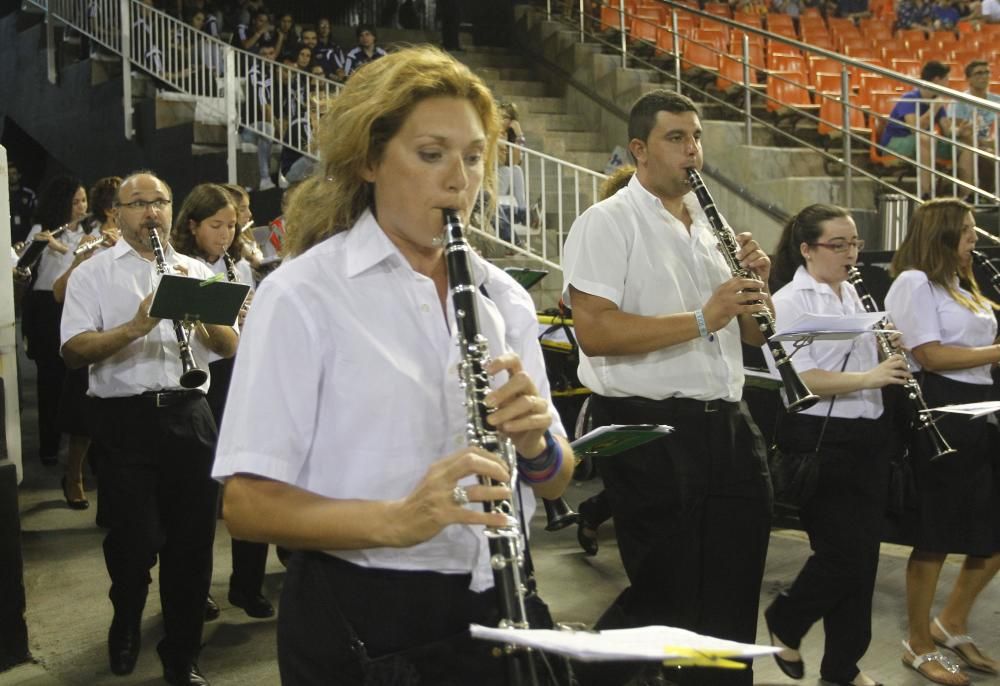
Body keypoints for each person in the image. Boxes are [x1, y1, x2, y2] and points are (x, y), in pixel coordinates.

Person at [212, 45, 574, 685]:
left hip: (500, 596)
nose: (459, 180)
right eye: (431, 154)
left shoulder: (503, 298)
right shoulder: (303, 295)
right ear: (371, 161)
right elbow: (247, 506)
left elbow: (553, 479)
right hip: (362, 613)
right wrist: (397, 521)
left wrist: (536, 441)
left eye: (472, 155)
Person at [560, 88, 772, 686]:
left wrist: (758, 283)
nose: (693, 151)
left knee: (732, 593)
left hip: (728, 422)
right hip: (648, 425)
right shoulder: (606, 222)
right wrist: (706, 315)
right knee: (667, 593)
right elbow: (596, 332)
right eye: (676, 139)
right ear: (639, 150)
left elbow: (754, 334)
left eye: (697, 137)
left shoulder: (712, 223)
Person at [60, 171, 238, 686]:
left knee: (192, 544)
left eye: (158, 202)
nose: (150, 212)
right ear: (118, 213)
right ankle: (126, 619)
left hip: (190, 416)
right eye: (137, 204)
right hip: (124, 421)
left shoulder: (192, 269)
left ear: (170, 208)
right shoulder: (94, 274)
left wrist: (203, 320)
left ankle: (181, 655)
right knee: (134, 541)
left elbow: (228, 348)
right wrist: (137, 326)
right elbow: (73, 352)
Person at [761, 204, 910, 686]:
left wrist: (891, 352)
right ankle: (786, 618)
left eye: (855, 245)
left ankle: (843, 666)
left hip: (868, 437)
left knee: (863, 560)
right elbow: (799, 380)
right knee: (842, 554)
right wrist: (871, 374)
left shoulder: (856, 296)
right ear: (807, 249)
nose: (851, 255)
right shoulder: (790, 300)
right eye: (838, 245)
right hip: (823, 441)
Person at [884, 198, 1000, 686]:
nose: (976, 239)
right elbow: (928, 355)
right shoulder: (914, 282)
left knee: (992, 527)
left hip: (983, 409)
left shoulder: (963, 283)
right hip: (941, 410)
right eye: (968, 231)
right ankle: (918, 641)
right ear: (944, 235)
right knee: (936, 532)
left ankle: (951, 621)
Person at [168, 183, 271, 619]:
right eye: (216, 225)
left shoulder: (236, 265)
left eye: (231, 225)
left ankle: (247, 585)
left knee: (252, 481)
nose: (227, 234)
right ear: (192, 225)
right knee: (201, 498)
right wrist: (222, 313)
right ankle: (198, 589)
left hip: (240, 377)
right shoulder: (175, 267)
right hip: (198, 383)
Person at [51, 175, 123, 511]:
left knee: (114, 429)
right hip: (93, 338)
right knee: (82, 424)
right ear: (112, 210)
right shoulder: (89, 240)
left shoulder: (139, 244)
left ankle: (110, 496)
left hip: (125, 344)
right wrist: (84, 258)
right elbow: (58, 291)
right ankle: (73, 475)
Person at [22, 175, 91, 466]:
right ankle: (49, 445)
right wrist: (38, 247)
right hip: (46, 308)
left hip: (76, 307)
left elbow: (85, 266)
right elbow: (23, 266)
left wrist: (64, 250)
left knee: (76, 379)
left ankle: (80, 450)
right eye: (75, 201)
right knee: (49, 379)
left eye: (83, 200)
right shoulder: (43, 229)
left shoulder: (90, 232)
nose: (80, 206)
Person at [879, 61, 972, 198]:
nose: (948, 83)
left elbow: (947, 130)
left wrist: (959, 131)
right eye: (946, 79)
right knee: (925, 138)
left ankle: (966, 195)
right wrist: (934, 108)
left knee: (965, 148)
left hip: (925, 143)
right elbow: (915, 129)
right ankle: (926, 193)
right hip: (896, 143)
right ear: (936, 80)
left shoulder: (936, 100)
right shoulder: (909, 99)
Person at [949, 60, 1000, 200]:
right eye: (978, 73)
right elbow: (959, 131)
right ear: (969, 79)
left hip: (991, 144)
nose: (984, 76)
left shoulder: (997, 101)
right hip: (966, 143)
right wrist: (984, 144)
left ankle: (987, 197)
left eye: (986, 72)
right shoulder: (959, 101)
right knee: (971, 150)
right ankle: (967, 196)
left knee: (990, 154)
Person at [8, 162, 37, 245]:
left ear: (19, 175)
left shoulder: (29, 194)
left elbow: (35, 215)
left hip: (23, 234)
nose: (11, 176)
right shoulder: (2, 192)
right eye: (8, 174)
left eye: (13, 173)